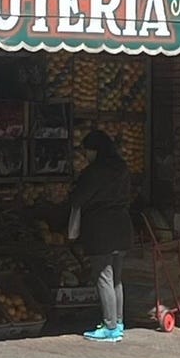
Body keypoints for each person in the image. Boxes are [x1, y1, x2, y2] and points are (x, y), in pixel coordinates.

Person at [69, 129, 133, 343]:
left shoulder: (93, 172)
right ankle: (119, 322)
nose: (86, 155)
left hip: (101, 229)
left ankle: (109, 326)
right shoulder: (122, 168)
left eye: (87, 150)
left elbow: (79, 199)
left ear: (94, 150)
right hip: (123, 227)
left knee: (103, 277)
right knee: (116, 278)